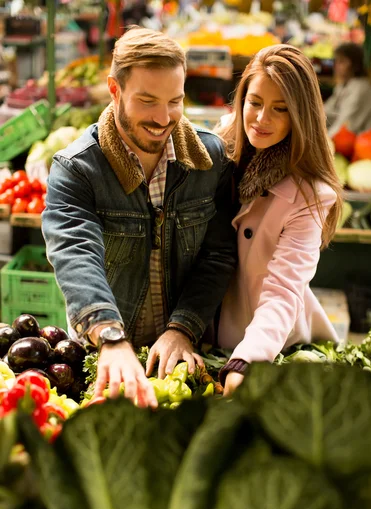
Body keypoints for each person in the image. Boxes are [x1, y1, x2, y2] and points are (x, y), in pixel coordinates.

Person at [42, 26, 237, 408]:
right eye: (147, 100)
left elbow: (218, 256)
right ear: (115, 90)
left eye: (175, 101)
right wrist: (112, 338)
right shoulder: (77, 169)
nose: (164, 118)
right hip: (102, 356)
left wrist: (183, 328)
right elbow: (75, 252)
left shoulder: (210, 161)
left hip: (183, 354)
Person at [215, 44, 343, 396]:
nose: (261, 119)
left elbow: (284, 290)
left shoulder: (310, 194)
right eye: (254, 103)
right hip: (201, 335)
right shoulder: (217, 150)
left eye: (280, 109)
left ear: (300, 116)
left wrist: (247, 359)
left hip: (265, 348)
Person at [324, 42, 371, 138]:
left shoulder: (361, 89)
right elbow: (326, 113)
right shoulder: (344, 86)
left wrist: (321, 144)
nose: (336, 66)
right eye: (336, 61)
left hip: (363, 145)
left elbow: (344, 126)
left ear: (355, 64)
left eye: (342, 61)